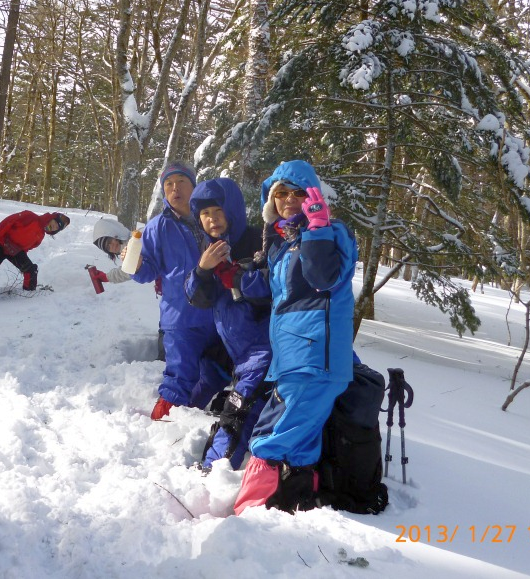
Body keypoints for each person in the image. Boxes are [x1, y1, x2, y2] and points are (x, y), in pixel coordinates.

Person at [233, 160, 360, 515]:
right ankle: (296, 504)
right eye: (281, 194)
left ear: (313, 196)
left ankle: (248, 515)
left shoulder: (332, 232)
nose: (289, 199)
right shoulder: (284, 243)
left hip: (312, 359)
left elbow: (323, 278)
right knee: (301, 445)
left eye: (298, 192)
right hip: (294, 358)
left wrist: (318, 228)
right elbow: (283, 297)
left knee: (270, 438)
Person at [185, 178, 273, 470]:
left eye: (218, 211)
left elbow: (271, 288)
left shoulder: (255, 242)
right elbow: (197, 297)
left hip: (263, 352)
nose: (212, 219)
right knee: (231, 403)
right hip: (238, 352)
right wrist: (202, 270)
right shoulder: (212, 250)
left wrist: (237, 276)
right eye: (205, 214)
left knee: (238, 415)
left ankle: (214, 471)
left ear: (232, 211)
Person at [125, 161, 220, 420]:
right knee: (179, 374)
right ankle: (163, 425)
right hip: (181, 316)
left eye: (181, 182)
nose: (174, 188)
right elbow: (146, 273)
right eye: (168, 184)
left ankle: (199, 421)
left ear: (194, 185)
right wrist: (136, 263)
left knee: (216, 373)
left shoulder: (211, 218)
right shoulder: (158, 226)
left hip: (219, 314)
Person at [0, 210, 70, 291]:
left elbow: (26, 248)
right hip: (0, 243)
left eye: (57, 228)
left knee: (31, 270)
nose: (54, 227)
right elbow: (9, 221)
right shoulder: (31, 217)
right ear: (51, 218)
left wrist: (22, 260)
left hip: (14, 251)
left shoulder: (41, 236)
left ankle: (28, 293)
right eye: (56, 223)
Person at [88, 216, 134, 287]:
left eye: (110, 240)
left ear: (116, 234)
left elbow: (131, 268)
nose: (112, 245)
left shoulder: (134, 241)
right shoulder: (127, 251)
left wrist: (107, 277)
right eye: (107, 247)